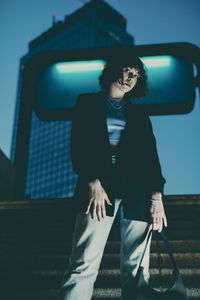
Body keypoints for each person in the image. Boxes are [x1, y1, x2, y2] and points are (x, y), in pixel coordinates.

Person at [57, 56, 167, 300]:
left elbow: (151, 158)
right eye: (127, 71)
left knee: (138, 269)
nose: (131, 79)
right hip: (99, 188)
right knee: (83, 265)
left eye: (136, 75)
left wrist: (157, 196)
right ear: (115, 70)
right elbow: (78, 147)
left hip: (138, 192)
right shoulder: (87, 104)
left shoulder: (140, 114)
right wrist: (92, 181)